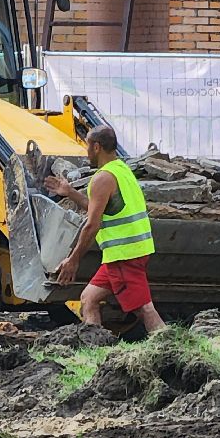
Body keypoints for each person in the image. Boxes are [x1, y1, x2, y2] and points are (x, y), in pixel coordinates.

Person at [43, 124, 166, 332]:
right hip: (129, 251)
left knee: (144, 308)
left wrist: (73, 260)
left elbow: (92, 224)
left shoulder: (102, 178)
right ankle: (95, 349)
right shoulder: (121, 170)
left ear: (97, 147)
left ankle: (170, 346)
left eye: (88, 147)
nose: (87, 152)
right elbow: (101, 208)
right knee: (88, 298)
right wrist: (70, 192)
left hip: (123, 254)